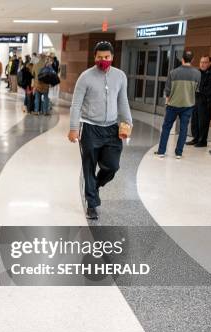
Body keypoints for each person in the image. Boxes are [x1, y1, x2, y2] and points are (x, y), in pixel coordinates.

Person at [68, 41, 133, 220]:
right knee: (89, 166)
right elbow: (76, 105)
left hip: (112, 129)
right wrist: (74, 128)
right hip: (89, 128)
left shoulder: (120, 76)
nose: (103, 60)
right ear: (94, 57)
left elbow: (123, 101)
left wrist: (128, 122)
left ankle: (94, 186)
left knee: (112, 166)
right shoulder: (85, 77)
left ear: (112, 57)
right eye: (99, 57)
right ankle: (92, 204)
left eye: (106, 57)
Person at [155, 51, 201, 159]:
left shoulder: (173, 72)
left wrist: (166, 103)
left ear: (182, 59)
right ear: (192, 59)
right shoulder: (197, 73)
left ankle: (161, 151)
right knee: (183, 129)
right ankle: (179, 153)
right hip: (188, 105)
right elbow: (196, 89)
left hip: (173, 105)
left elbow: (167, 90)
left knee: (166, 128)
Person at [187, 55, 211, 147]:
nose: (202, 64)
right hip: (196, 100)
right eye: (201, 62)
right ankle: (195, 138)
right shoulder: (197, 72)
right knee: (195, 120)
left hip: (206, 102)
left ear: (209, 63)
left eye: (205, 62)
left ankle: (202, 141)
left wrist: (198, 90)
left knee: (203, 122)